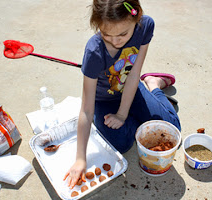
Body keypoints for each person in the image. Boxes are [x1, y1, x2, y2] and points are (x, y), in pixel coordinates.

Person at [64, 0, 181, 188]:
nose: (115, 41)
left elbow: (134, 74)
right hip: (104, 99)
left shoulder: (145, 26)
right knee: (122, 144)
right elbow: (86, 109)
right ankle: (141, 115)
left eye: (123, 34)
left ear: (136, 17)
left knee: (172, 128)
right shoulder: (94, 51)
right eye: (106, 34)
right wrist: (80, 159)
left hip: (132, 88)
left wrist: (122, 115)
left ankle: (153, 84)